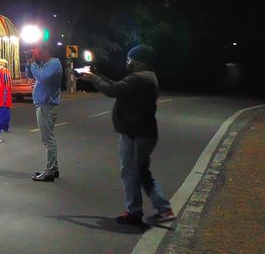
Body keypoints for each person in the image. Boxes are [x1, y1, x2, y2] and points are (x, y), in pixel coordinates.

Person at [80, 45, 175, 224]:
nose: (127, 62)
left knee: (130, 172)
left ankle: (134, 212)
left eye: (130, 59)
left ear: (138, 61)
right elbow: (118, 86)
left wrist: (94, 79)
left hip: (135, 134)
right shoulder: (146, 77)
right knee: (141, 172)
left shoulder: (138, 78)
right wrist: (97, 76)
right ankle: (164, 209)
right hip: (144, 132)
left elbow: (113, 90)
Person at [28, 44, 63, 182]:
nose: (35, 53)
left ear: (46, 51)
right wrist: (31, 64)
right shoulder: (46, 64)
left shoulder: (53, 64)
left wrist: (32, 64)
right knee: (48, 138)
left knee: (47, 140)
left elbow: (42, 78)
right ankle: (53, 168)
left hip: (47, 105)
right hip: (44, 104)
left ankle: (49, 171)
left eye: (36, 50)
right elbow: (35, 77)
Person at [0, 59, 14, 134]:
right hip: (2, 93)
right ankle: (3, 126)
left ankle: (3, 126)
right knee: (3, 110)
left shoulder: (5, 72)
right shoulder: (4, 72)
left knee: (3, 111)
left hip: (4, 93)